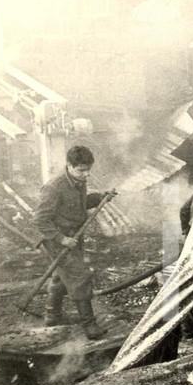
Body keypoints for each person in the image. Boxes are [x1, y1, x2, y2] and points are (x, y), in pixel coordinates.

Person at [33, 145, 116, 339]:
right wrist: (62, 239)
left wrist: (101, 197)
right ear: (69, 166)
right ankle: (90, 326)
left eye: (88, 170)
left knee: (61, 275)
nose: (86, 174)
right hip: (57, 239)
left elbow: (80, 203)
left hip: (73, 236)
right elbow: (40, 220)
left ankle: (52, 316)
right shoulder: (54, 187)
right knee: (79, 276)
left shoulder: (78, 181)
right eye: (81, 170)